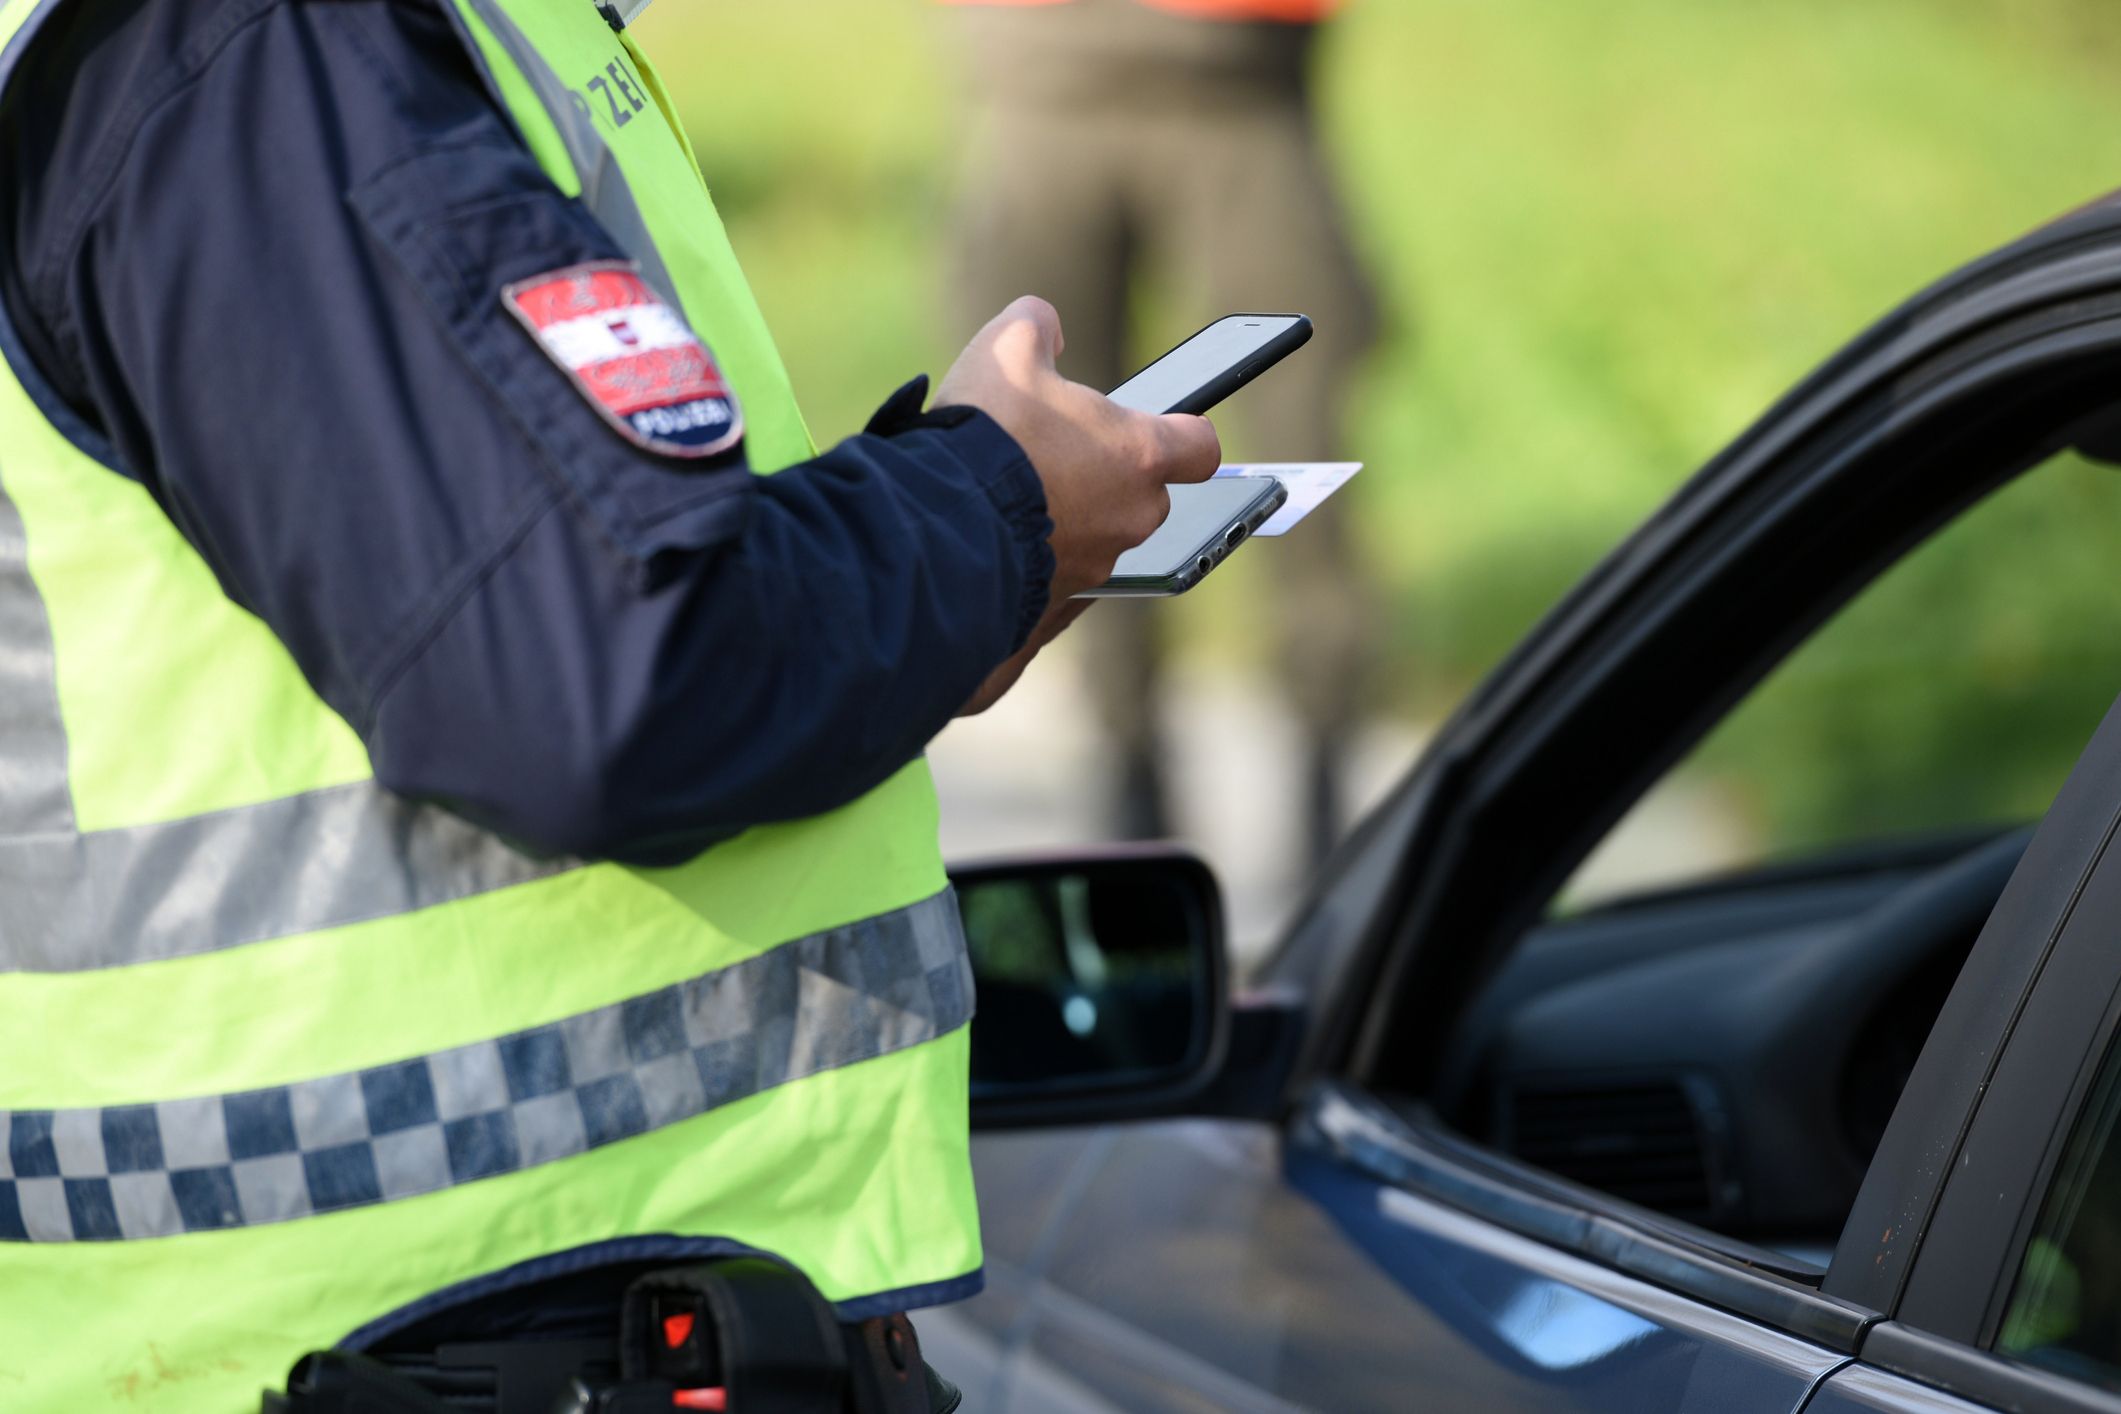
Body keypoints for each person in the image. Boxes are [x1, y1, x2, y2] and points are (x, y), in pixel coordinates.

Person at [0, 0, 1218, 1408]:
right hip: (460, 1338)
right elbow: (609, 680)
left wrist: (952, 588)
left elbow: (538, 601)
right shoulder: (259, 49)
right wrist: (987, 509)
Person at [946, 0, 1382, 864]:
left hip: (1237, 64)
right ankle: (1129, 793)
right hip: (1039, 65)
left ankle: (1328, 796)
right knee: (1053, 462)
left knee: (1301, 440)